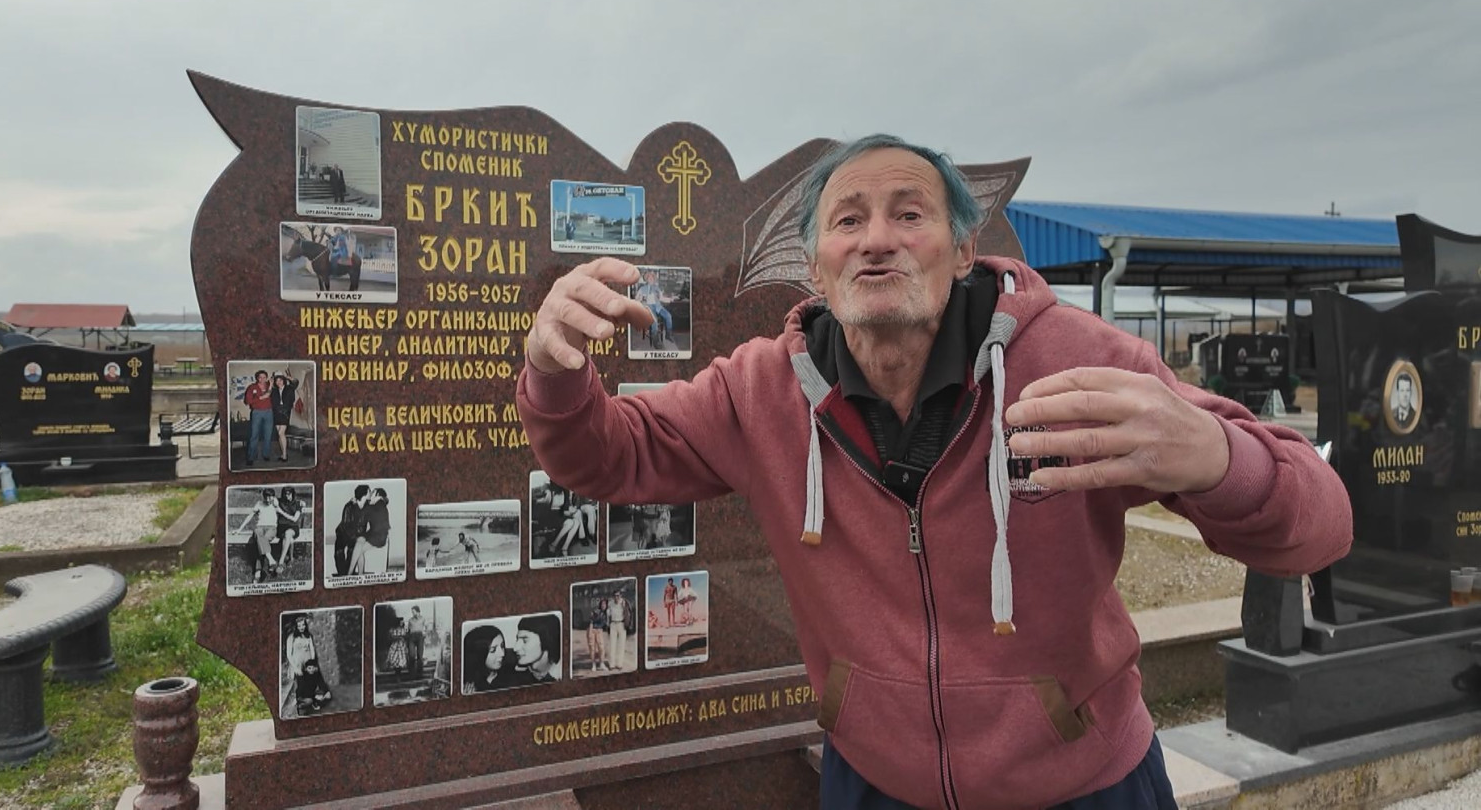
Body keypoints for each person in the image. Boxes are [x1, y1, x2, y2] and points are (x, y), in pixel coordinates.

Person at [514, 134, 1354, 810]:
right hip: (875, 782)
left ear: (961, 251)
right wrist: (555, 372)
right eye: (847, 221)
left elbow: (1319, 522)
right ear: (816, 269)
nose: (876, 238)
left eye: (907, 213)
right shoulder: (757, 393)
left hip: (1084, 785)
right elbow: (605, 453)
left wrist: (1216, 457)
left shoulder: (1082, 362)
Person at [507, 615, 561, 685]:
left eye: (525, 641)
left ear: (545, 640)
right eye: (517, 640)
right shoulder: (512, 674)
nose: (515, 648)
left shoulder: (565, 672)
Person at [243, 488, 281, 582]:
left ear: (273, 497)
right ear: (263, 497)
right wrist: (239, 529)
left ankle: (258, 572)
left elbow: (276, 502)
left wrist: (273, 500)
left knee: (260, 543)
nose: (268, 500)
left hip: (271, 528)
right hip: (260, 528)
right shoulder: (259, 504)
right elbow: (250, 516)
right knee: (257, 533)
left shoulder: (275, 503)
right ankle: (270, 559)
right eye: (266, 498)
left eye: (270, 498)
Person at [351, 486, 392, 574]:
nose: (370, 495)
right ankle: (359, 575)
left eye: (372, 492)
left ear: (378, 495)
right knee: (358, 544)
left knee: (358, 550)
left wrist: (357, 503)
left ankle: (351, 574)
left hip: (379, 537)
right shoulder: (378, 505)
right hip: (375, 534)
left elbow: (364, 512)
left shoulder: (379, 504)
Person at [462, 625, 512, 693]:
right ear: (480, 655)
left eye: (502, 646)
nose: (502, 653)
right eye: (493, 650)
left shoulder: (511, 674)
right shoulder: (467, 684)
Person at [333, 484, 367, 578]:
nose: (370, 494)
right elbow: (345, 524)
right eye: (369, 492)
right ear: (364, 495)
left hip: (355, 535)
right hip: (343, 533)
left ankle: (348, 574)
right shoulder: (348, 506)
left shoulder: (366, 506)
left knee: (353, 551)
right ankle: (342, 574)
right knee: (339, 552)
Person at [241, 370, 274, 467]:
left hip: (269, 412)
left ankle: (266, 455)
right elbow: (247, 401)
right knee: (254, 435)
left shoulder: (270, 385)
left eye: (264, 377)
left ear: (267, 378)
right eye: (260, 377)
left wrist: (271, 386)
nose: (262, 379)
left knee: (268, 435)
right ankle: (251, 457)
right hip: (257, 413)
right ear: (257, 378)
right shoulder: (252, 388)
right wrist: (260, 398)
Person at [274, 486, 303, 571]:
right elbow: (272, 499)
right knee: (290, 540)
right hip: (281, 528)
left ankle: (281, 562)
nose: (287, 496)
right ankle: (291, 559)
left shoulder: (297, 504)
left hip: (293, 528)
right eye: (285, 494)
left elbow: (295, 519)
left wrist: (281, 512)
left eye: (289, 494)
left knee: (288, 533)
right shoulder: (280, 502)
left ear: (292, 494)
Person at [271, 373, 298, 461]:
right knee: (279, 433)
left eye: (280, 380)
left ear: (284, 381)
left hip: (285, 412)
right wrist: (271, 384)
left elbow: (295, 382)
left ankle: (285, 455)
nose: (278, 382)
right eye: (277, 380)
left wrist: (287, 377)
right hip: (276, 412)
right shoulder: (274, 390)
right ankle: (283, 454)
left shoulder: (289, 388)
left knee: (280, 433)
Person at [605, 590, 630, 672]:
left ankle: (619, 664)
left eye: (618, 595)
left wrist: (628, 624)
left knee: (621, 645)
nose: (617, 597)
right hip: (613, 624)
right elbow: (608, 615)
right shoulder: (610, 603)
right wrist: (608, 625)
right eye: (615, 595)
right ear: (613, 596)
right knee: (612, 645)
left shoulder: (624, 602)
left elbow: (629, 613)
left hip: (621, 624)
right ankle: (611, 665)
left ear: (621, 595)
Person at [586, 592, 609, 673]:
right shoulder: (596, 611)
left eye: (605, 604)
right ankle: (593, 664)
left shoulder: (606, 612)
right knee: (592, 648)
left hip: (599, 630)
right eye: (602, 604)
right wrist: (590, 633)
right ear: (600, 604)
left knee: (601, 648)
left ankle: (601, 663)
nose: (603, 605)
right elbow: (591, 621)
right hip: (592, 630)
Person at [406, 606, 426, 681]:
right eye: (412, 612)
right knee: (411, 656)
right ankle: (412, 675)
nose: (412, 613)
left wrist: (424, 635)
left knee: (420, 656)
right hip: (412, 637)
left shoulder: (423, 619)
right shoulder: (410, 620)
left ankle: (420, 674)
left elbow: (425, 628)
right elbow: (408, 630)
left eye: (413, 611)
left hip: (420, 637)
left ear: (418, 611)